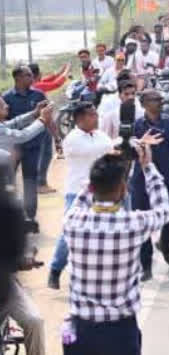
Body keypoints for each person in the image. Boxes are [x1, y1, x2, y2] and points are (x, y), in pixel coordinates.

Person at [61, 137, 169, 354]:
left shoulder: (72, 222)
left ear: (93, 186)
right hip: (120, 332)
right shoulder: (132, 224)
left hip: (80, 330)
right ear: (123, 189)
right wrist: (148, 167)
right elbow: (163, 211)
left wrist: (102, 166)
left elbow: (81, 199)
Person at [49, 102, 118, 290]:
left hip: (100, 191)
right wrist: (116, 149)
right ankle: (55, 269)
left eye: (96, 113)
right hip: (77, 192)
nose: (96, 117)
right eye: (92, 115)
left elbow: (110, 149)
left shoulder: (100, 135)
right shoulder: (72, 139)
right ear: (80, 119)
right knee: (68, 232)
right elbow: (102, 151)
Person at [129, 90, 169, 279]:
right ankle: (146, 264)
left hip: (166, 178)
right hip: (141, 180)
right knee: (143, 221)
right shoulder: (136, 125)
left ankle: (166, 246)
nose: (161, 102)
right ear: (144, 103)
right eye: (156, 99)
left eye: (161, 99)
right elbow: (128, 152)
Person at [7, 66, 50, 229]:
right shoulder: (6, 99)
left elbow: (47, 117)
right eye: (28, 75)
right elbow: (8, 125)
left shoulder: (38, 95)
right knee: (7, 182)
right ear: (18, 78)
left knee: (30, 181)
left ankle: (30, 218)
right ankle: (10, 218)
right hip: (13, 149)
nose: (32, 77)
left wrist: (56, 137)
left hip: (33, 147)